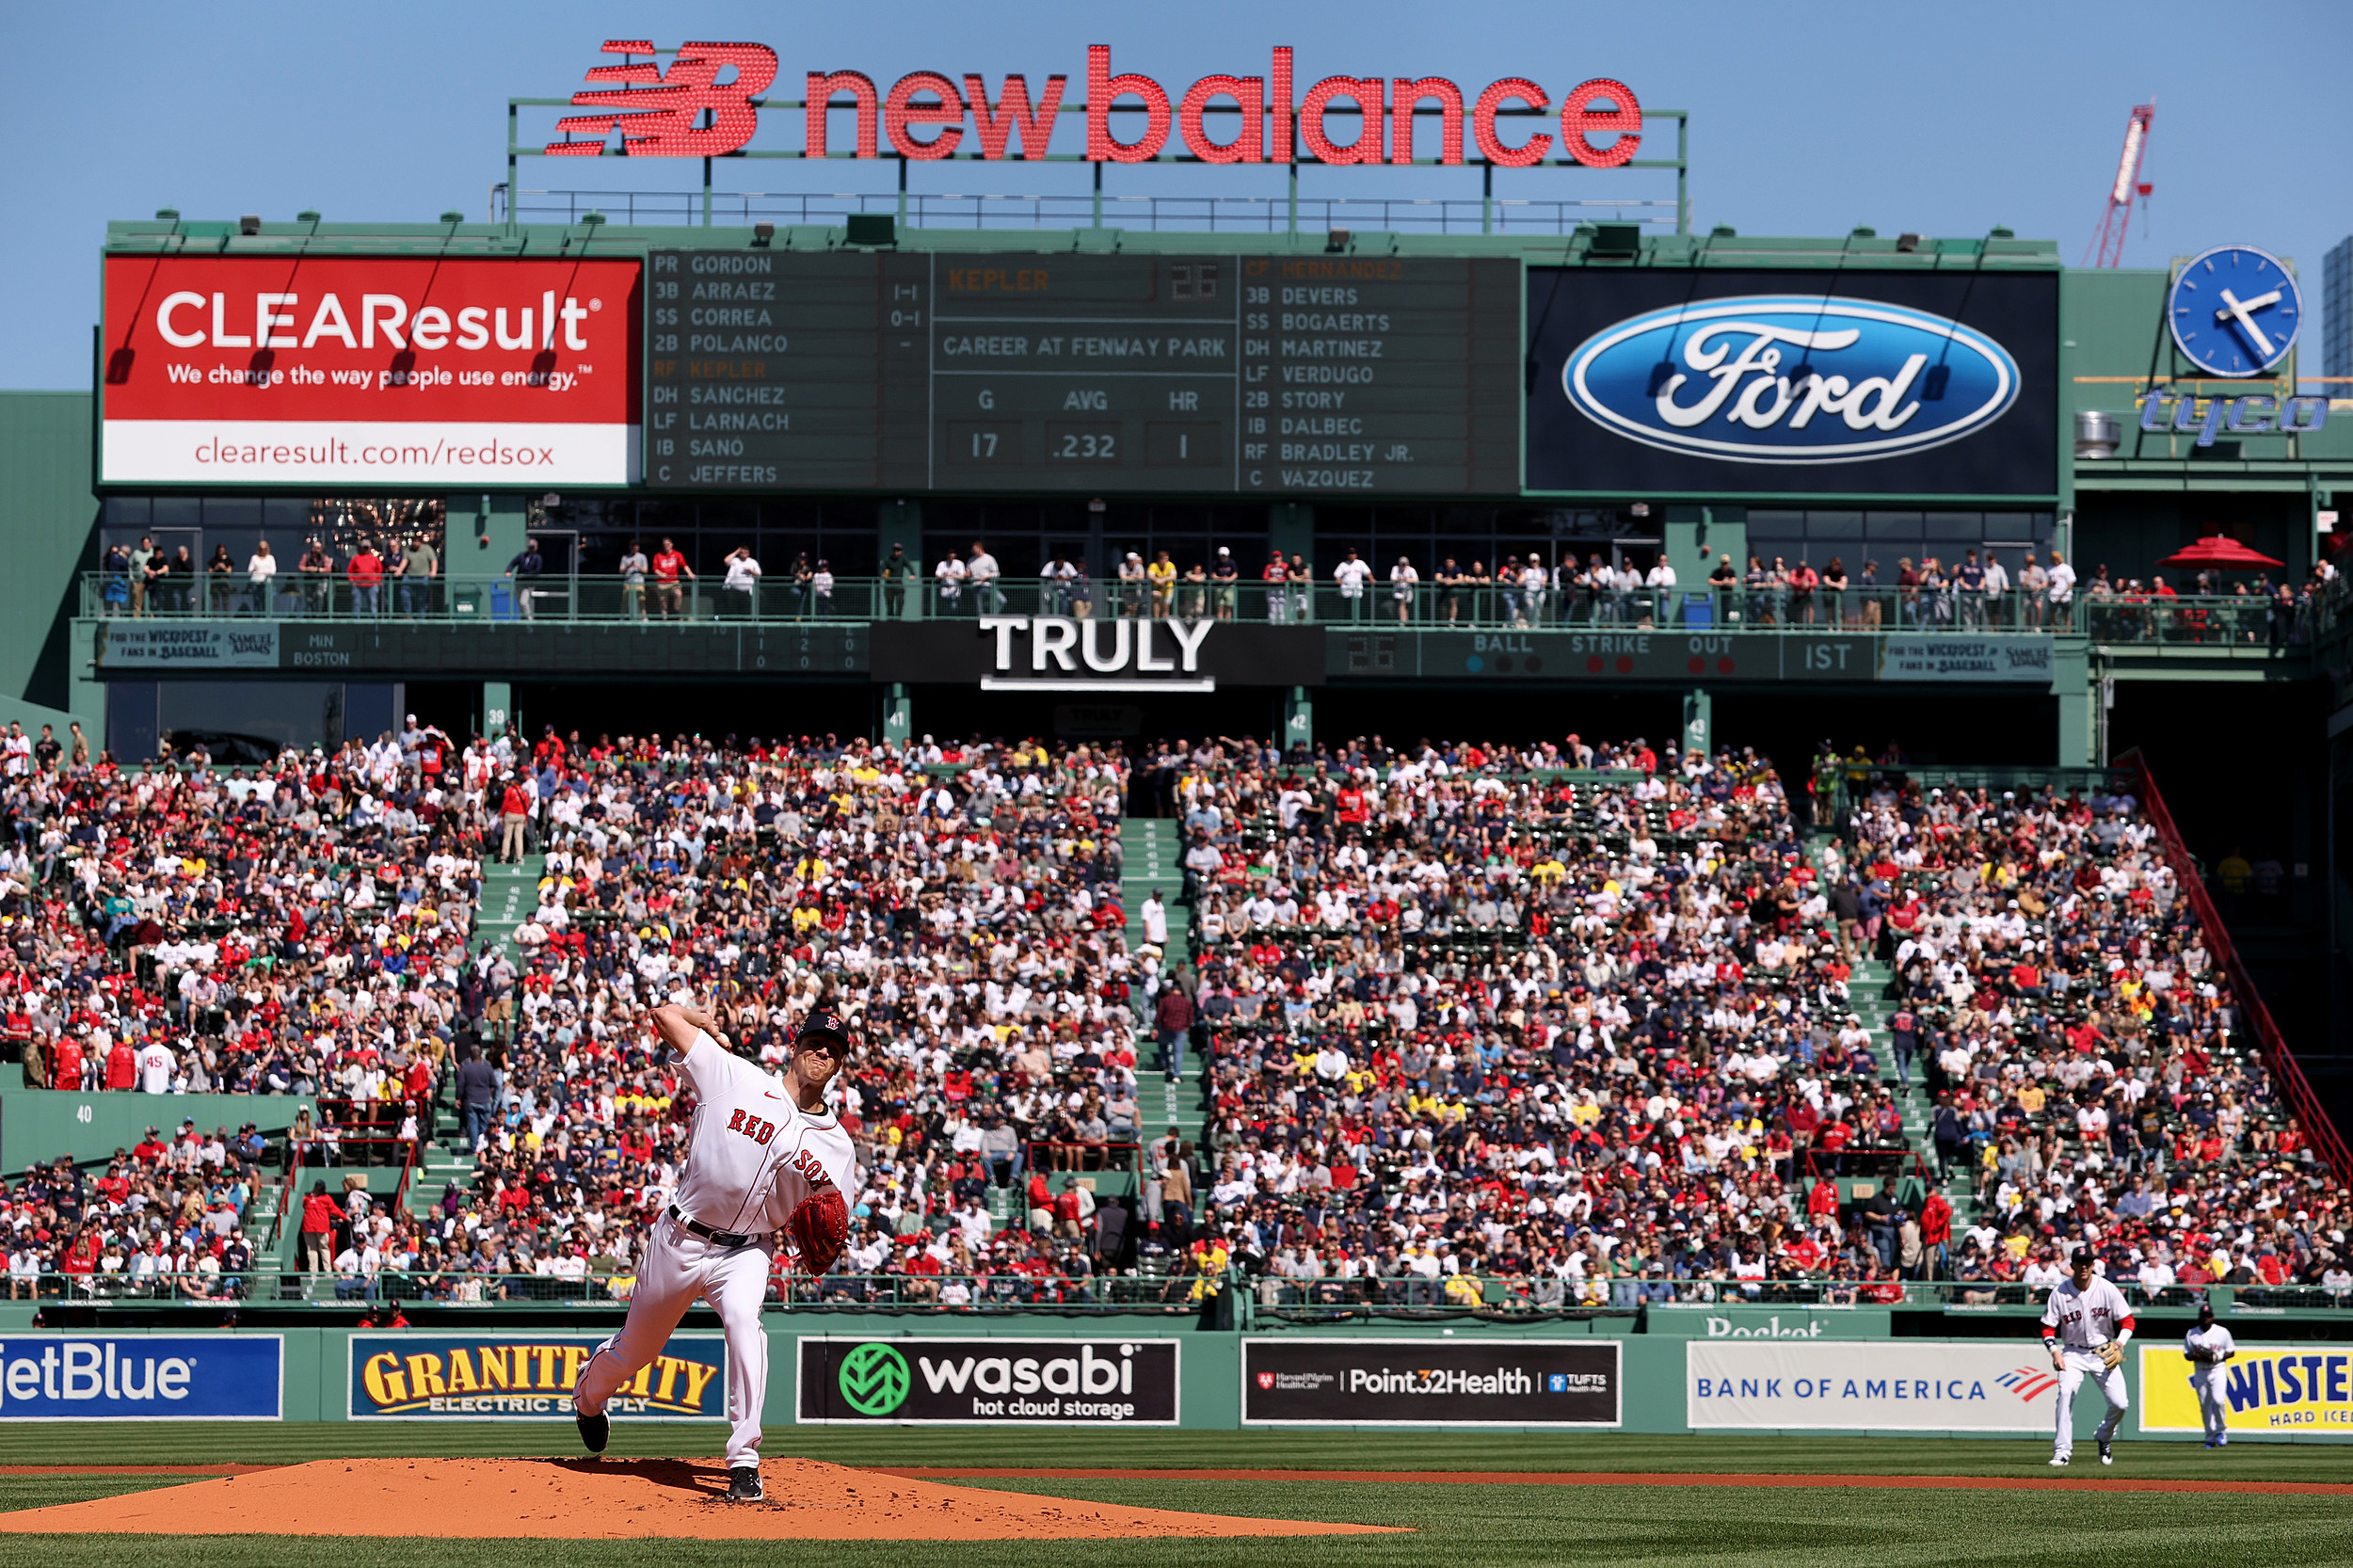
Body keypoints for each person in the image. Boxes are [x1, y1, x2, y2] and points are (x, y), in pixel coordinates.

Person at [571, 1002, 855, 1503]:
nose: (821, 1054)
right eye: (814, 1043)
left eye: (832, 1051)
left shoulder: (837, 1146)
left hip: (747, 1251)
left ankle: (744, 1460)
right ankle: (589, 1398)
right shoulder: (734, 1076)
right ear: (795, 1047)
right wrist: (699, 1018)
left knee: (746, 1325)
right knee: (636, 1352)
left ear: (838, 1065)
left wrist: (823, 1237)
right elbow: (662, 1017)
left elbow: (833, 1219)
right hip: (681, 1238)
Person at [2040, 1245, 2134, 1466]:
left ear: (2093, 1265)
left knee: (2120, 1404)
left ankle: (2104, 1435)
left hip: (2103, 1351)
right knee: (2065, 1394)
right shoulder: (2060, 1292)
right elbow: (2047, 1327)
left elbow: (2128, 1321)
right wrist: (2055, 1352)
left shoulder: (2107, 1288)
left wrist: (2119, 1343)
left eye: (2087, 1262)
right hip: (2072, 1351)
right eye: (2079, 1262)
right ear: (2071, 1266)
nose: (2083, 1266)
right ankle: (2062, 1451)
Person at [2183, 1295, 2235, 1448]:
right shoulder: (2192, 1333)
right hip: (2200, 1371)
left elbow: (2231, 1351)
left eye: (2208, 1316)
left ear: (2212, 1317)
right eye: (2203, 1316)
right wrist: (2195, 1356)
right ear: (2200, 1317)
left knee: (2219, 1401)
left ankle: (2221, 1431)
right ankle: (2210, 1437)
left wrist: (2217, 1356)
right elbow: (2187, 1354)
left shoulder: (2222, 1332)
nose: (2206, 1318)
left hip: (2217, 1369)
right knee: (2205, 1405)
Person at [505, 538, 544, 620]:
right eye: (530, 547)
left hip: (528, 584)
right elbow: (513, 563)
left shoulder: (538, 558)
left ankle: (530, 620)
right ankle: (522, 619)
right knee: (519, 602)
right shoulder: (522, 555)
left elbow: (537, 571)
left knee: (524, 602)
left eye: (533, 547)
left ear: (536, 547)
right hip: (518, 583)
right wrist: (508, 571)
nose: (531, 549)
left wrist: (525, 575)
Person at [618, 539, 649, 620]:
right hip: (628, 582)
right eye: (632, 547)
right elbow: (621, 571)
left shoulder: (642, 557)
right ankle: (622, 617)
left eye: (635, 547)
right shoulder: (625, 558)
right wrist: (629, 566)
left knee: (641, 600)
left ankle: (644, 617)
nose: (634, 548)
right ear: (630, 547)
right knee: (625, 601)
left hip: (639, 582)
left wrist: (637, 566)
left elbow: (645, 571)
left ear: (638, 547)